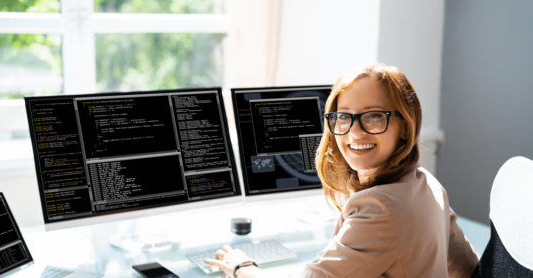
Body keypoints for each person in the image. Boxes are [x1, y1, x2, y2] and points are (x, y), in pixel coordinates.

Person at [205, 63, 479, 278]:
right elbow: (468, 268)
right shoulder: (427, 184)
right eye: (344, 116)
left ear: (405, 126)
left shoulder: (381, 208)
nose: (355, 132)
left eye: (374, 117)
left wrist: (241, 266)